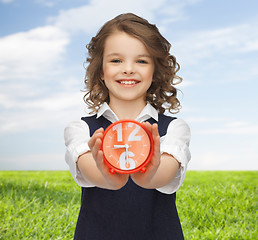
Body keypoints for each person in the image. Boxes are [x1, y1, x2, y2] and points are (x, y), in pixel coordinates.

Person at [64, 13, 191, 240]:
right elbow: (89, 168)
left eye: (141, 61)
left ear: (155, 71)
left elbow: (166, 172)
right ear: (101, 70)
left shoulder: (174, 128)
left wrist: (149, 176)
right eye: (116, 60)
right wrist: (109, 179)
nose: (129, 69)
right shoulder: (80, 129)